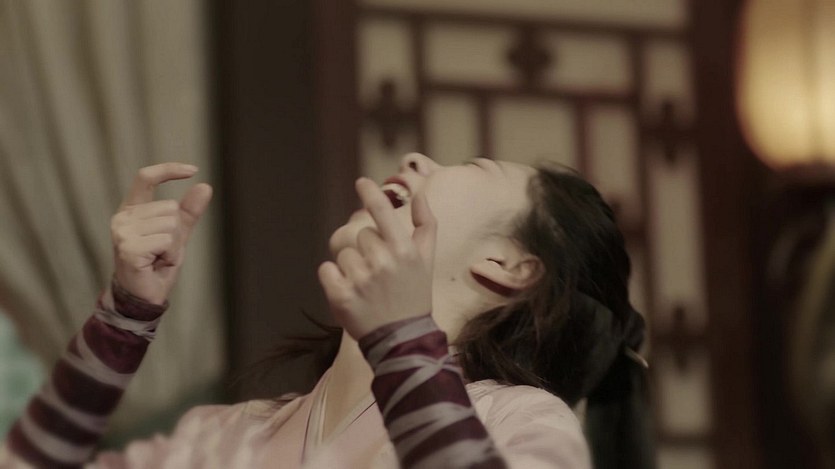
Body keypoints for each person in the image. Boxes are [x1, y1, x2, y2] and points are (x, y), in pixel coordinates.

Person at [0, 154, 654, 469]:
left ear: (508, 265)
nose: (415, 159)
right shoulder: (221, 438)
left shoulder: (516, 420)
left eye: (471, 164)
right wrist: (125, 316)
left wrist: (402, 338)